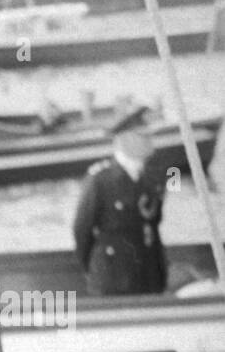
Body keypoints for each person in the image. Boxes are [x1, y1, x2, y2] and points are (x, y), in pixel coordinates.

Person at [72, 116, 167, 296]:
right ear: (124, 139)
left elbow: (158, 215)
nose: (150, 142)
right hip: (114, 277)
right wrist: (93, 269)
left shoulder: (154, 173)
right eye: (143, 137)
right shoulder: (100, 179)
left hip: (150, 275)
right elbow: (81, 230)